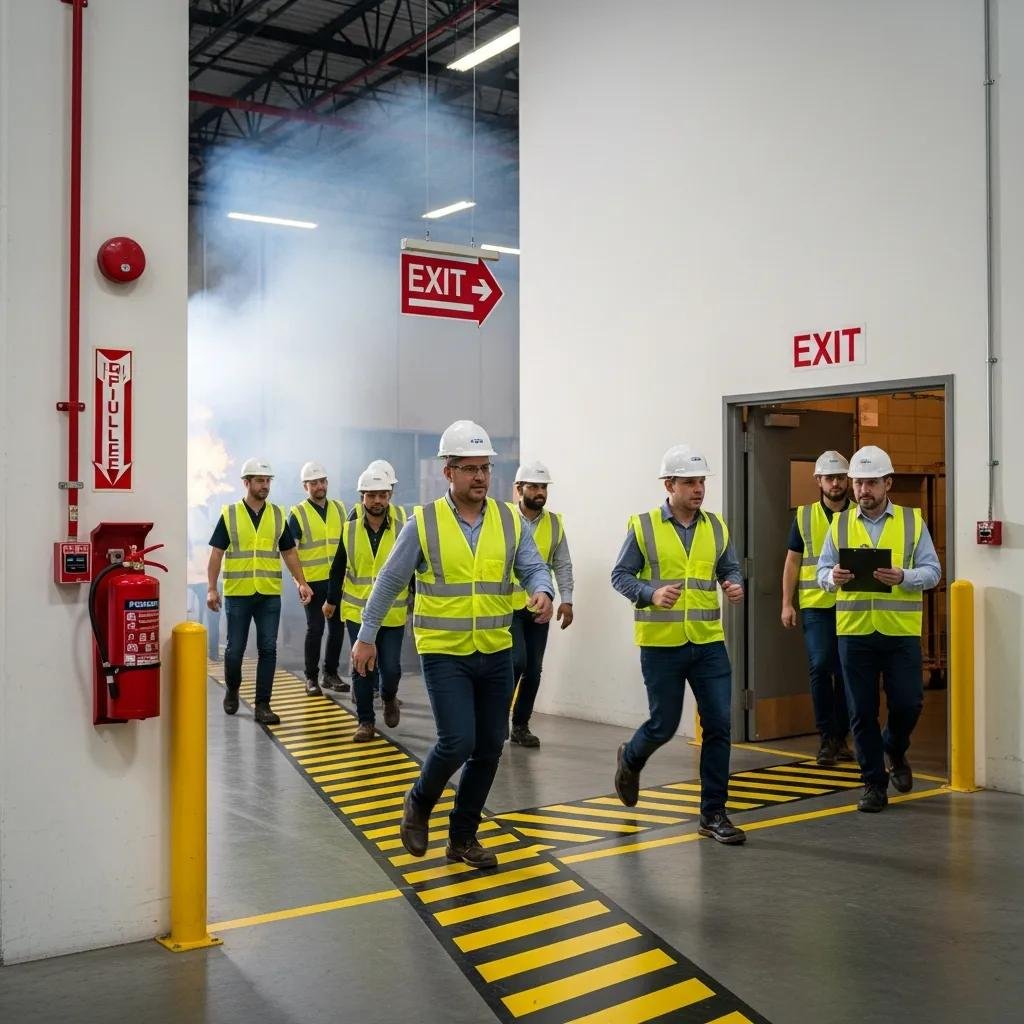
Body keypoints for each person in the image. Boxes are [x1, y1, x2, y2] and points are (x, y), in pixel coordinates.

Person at [351, 420, 554, 869]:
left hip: (496, 649)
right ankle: (420, 800)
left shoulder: (507, 519)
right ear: (449, 472)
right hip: (444, 652)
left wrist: (543, 590)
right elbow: (388, 583)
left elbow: (534, 567)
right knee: (458, 741)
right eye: (469, 469)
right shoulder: (424, 523)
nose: (480, 477)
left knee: (490, 745)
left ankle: (462, 838)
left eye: (485, 468)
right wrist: (366, 635)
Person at [611, 445, 746, 845]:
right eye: (689, 482)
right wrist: (650, 593)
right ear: (669, 485)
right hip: (662, 644)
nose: (698, 489)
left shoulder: (717, 527)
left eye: (702, 481)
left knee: (719, 725)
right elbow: (620, 575)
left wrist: (733, 584)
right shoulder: (643, 526)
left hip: (708, 644)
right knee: (664, 724)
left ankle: (714, 813)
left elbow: (728, 567)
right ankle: (631, 758)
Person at [816, 445, 942, 813]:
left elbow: (933, 572)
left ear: (888, 483)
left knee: (909, 702)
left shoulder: (912, 521)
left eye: (870, 483)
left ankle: (895, 747)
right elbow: (821, 574)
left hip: (899, 631)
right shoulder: (839, 524)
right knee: (861, 712)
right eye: (858, 483)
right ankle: (873, 783)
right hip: (854, 633)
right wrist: (832, 577)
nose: (862, 491)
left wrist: (904, 576)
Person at [207, 458, 313, 725]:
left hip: (268, 594)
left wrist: (301, 581)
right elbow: (217, 553)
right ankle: (232, 689)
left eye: (268, 481)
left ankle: (263, 705)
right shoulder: (230, 514)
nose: (265, 486)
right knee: (234, 650)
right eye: (260, 481)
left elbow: (289, 551)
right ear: (247, 483)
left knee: (268, 649)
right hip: (238, 593)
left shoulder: (277, 515)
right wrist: (211, 588)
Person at [324, 466, 411, 742]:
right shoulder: (349, 530)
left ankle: (389, 697)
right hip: (358, 612)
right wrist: (331, 600)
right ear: (362, 497)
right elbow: (338, 568)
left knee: (391, 669)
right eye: (371, 495)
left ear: (390, 496)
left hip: (392, 613)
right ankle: (365, 722)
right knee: (362, 667)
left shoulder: (402, 529)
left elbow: (413, 568)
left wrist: (416, 599)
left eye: (382, 495)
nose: (377, 501)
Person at [780, 450, 854, 765]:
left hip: (853, 606)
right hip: (816, 605)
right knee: (821, 665)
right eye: (830, 478)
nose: (835, 483)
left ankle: (840, 738)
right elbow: (792, 562)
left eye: (840, 477)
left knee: (846, 671)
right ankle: (827, 737)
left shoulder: (859, 514)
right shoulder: (804, 516)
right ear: (819, 481)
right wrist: (787, 603)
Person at [508, 460, 575, 748]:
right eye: (533, 486)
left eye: (543, 487)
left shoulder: (554, 523)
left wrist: (567, 600)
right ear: (519, 489)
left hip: (540, 606)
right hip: (506, 606)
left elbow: (563, 564)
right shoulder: (504, 519)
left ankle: (520, 726)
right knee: (515, 662)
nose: (539, 492)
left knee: (533, 669)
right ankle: (496, 718)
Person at [288, 462, 349, 697]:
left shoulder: (340, 509)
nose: (319, 486)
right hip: (312, 584)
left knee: (337, 629)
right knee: (315, 629)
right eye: (314, 483)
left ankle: (330, 674)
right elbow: (290, 552)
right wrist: (300, 583)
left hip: (337, 581)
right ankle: (310, 678)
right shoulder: (298, 513)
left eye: (322, 481)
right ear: (306, 486)